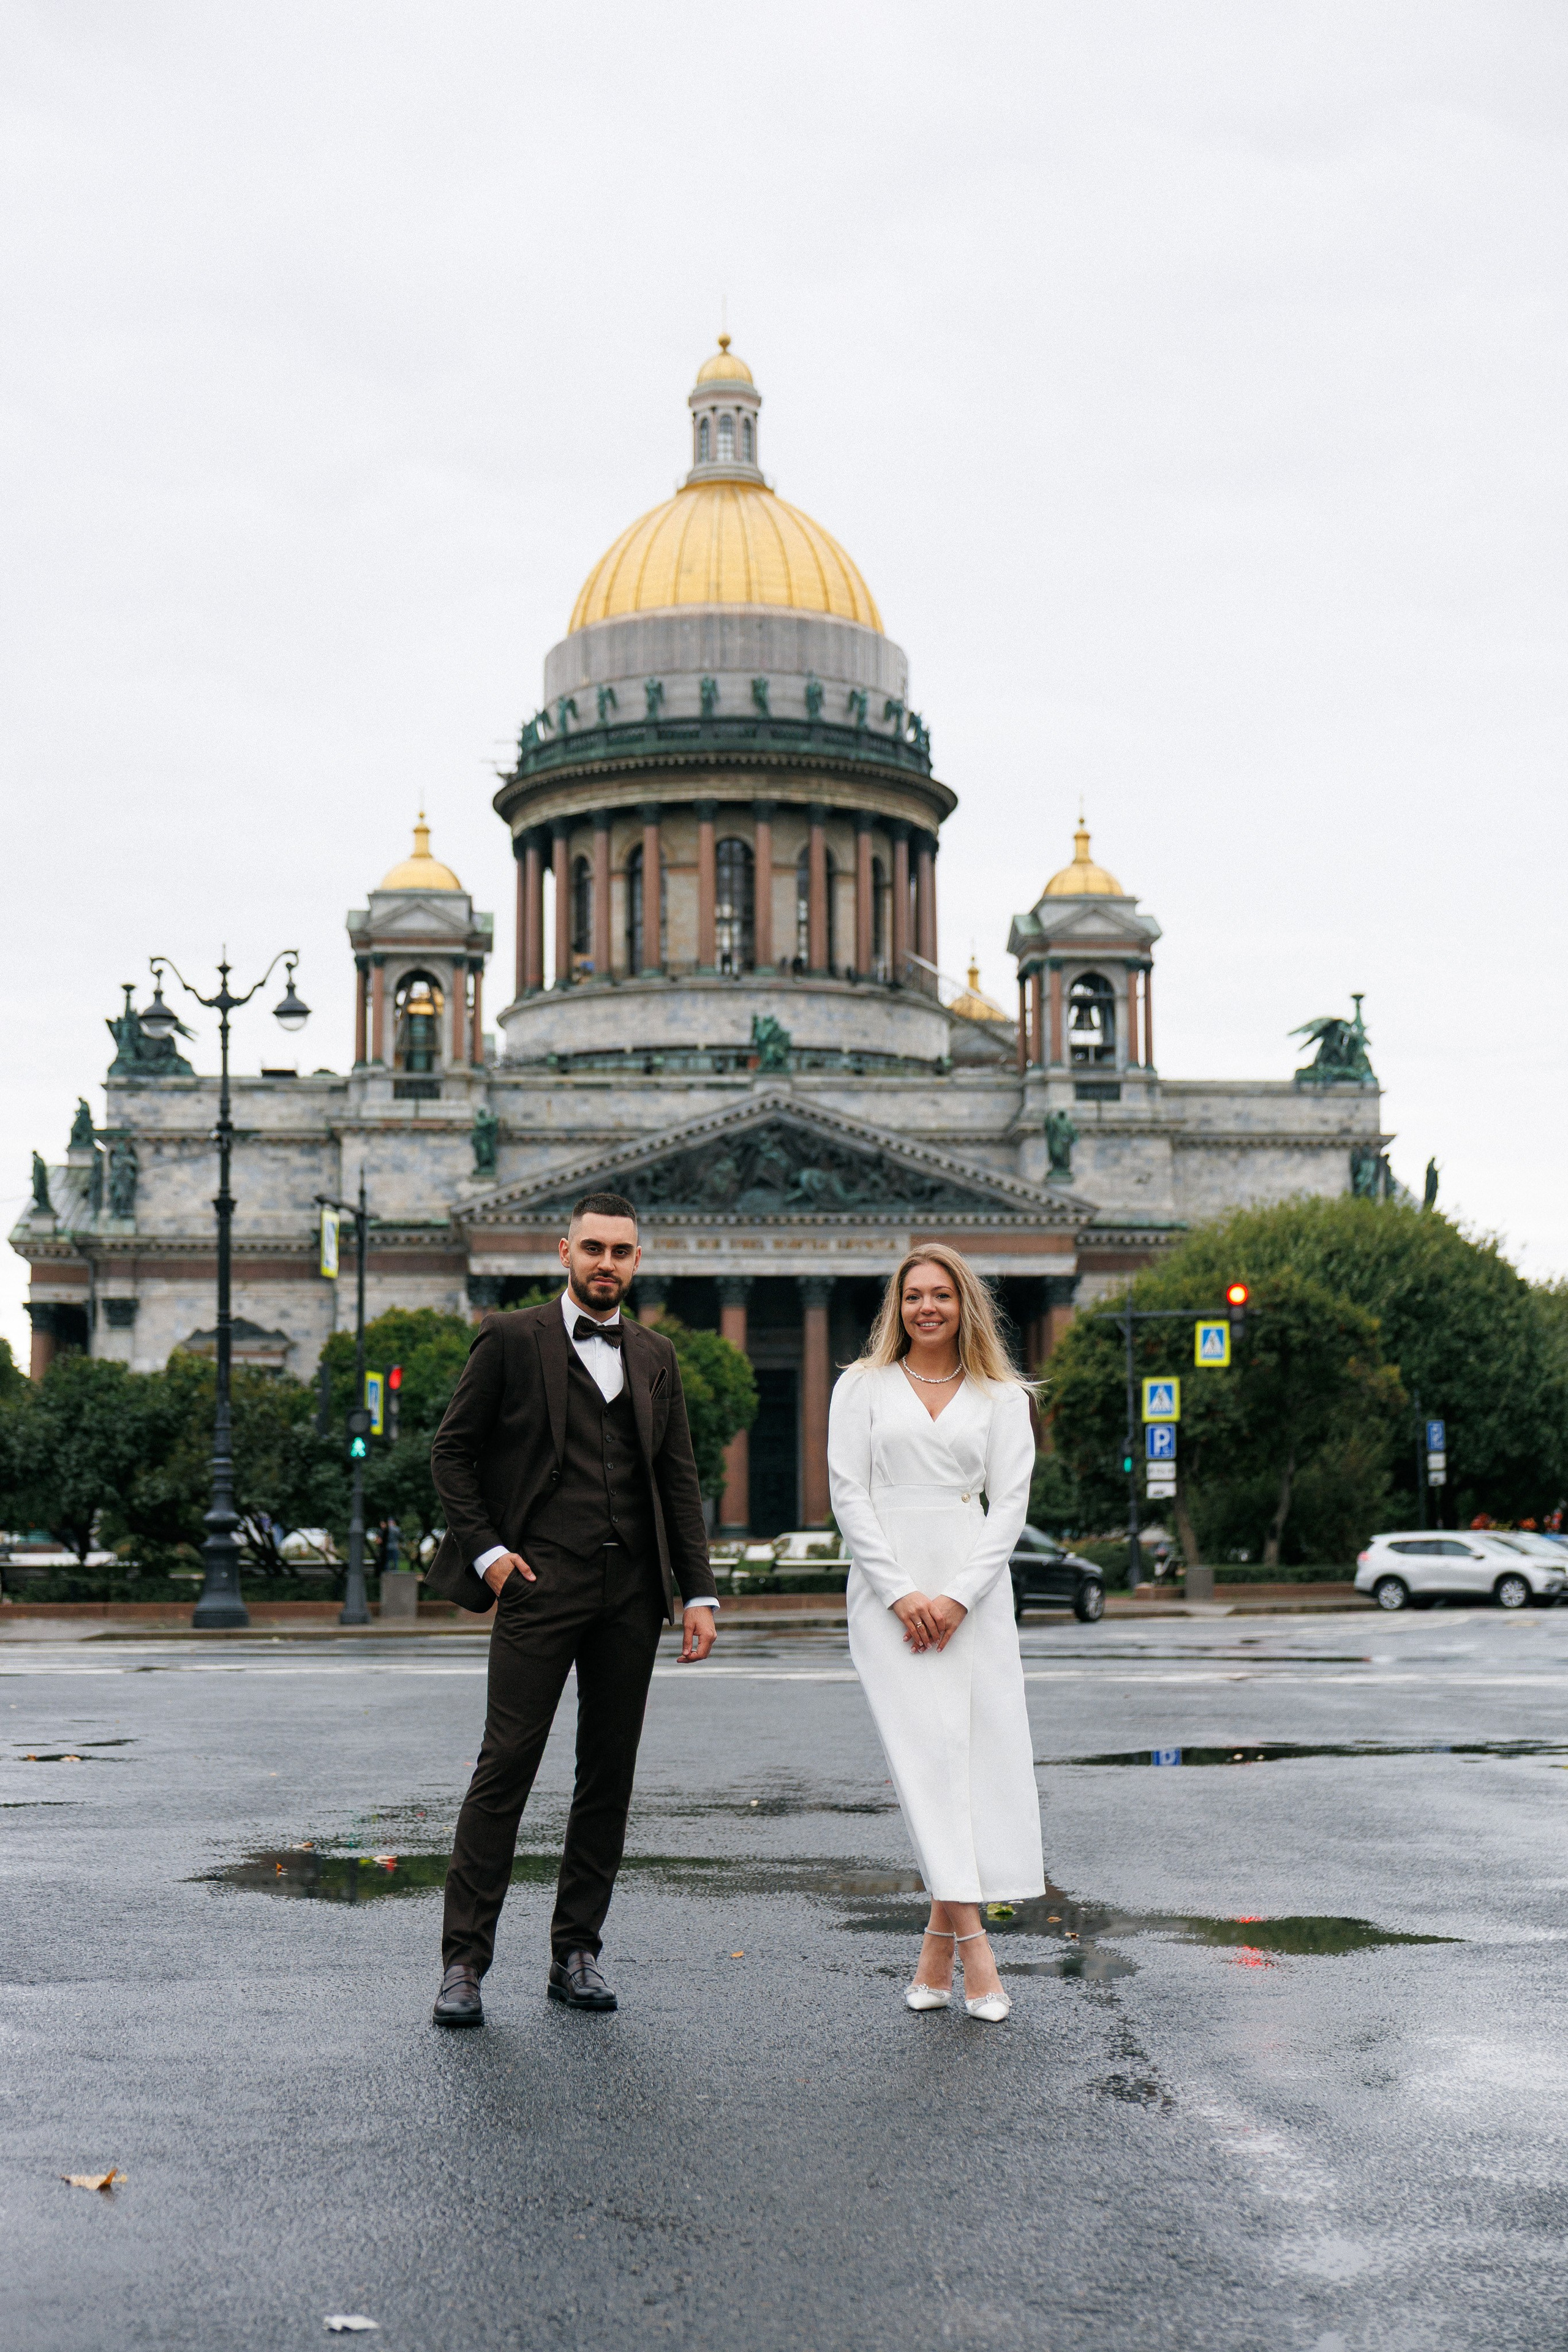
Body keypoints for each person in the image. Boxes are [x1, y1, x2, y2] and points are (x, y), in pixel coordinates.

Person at [423, 1191, 718, 2026]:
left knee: (607, 1776)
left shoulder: (657, 1355)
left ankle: (576, 1953)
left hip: (631, 1592)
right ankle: (464, 1965)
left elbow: (677, 1480)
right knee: (506, 1766)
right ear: (564, 1252)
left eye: (621, 1252)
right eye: (593, 1248)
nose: (606, 1264)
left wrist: (696, 1590)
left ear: (636, 1261)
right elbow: (452, 1451)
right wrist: (489, 1555)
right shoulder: (512, 1338)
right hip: (537, 1583)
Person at [827, 1243, 1042, 2022]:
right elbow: (849, 1497)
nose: (927, 1308)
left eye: (942, 1296)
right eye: (914, 1295)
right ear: (897, 1305)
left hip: (973, 1592)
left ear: (964, 1306)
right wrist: (901, 1593)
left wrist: (952, 1596)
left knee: (972, 1759)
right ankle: (978, 1952)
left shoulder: (1001, 1394)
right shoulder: (861, 1386)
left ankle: (934, 1953)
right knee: (923, 1763)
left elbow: (1008, 1508)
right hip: (887, 1595)